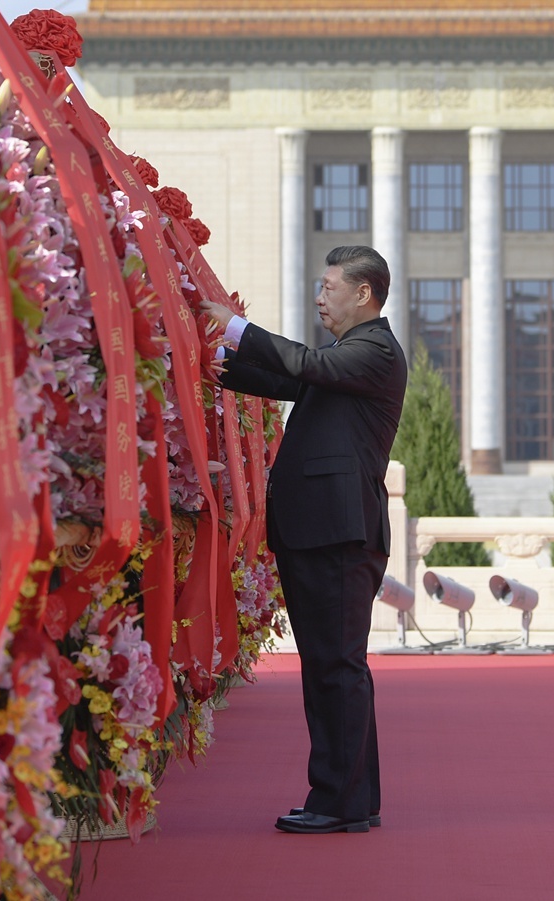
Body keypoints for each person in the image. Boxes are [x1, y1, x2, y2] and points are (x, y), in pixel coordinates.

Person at [200, 245, 407, 835]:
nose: (320, 298)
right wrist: (214, 360)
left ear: (363, 294)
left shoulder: (373, 350)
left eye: (329, 287)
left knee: (336, 666)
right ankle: (350, 798)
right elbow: (286, 377)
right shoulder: (345, 358)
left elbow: (303, 364)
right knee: (329, 666)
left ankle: (339, 801)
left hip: (338, 533)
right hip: (322, 531)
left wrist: (236, 328)